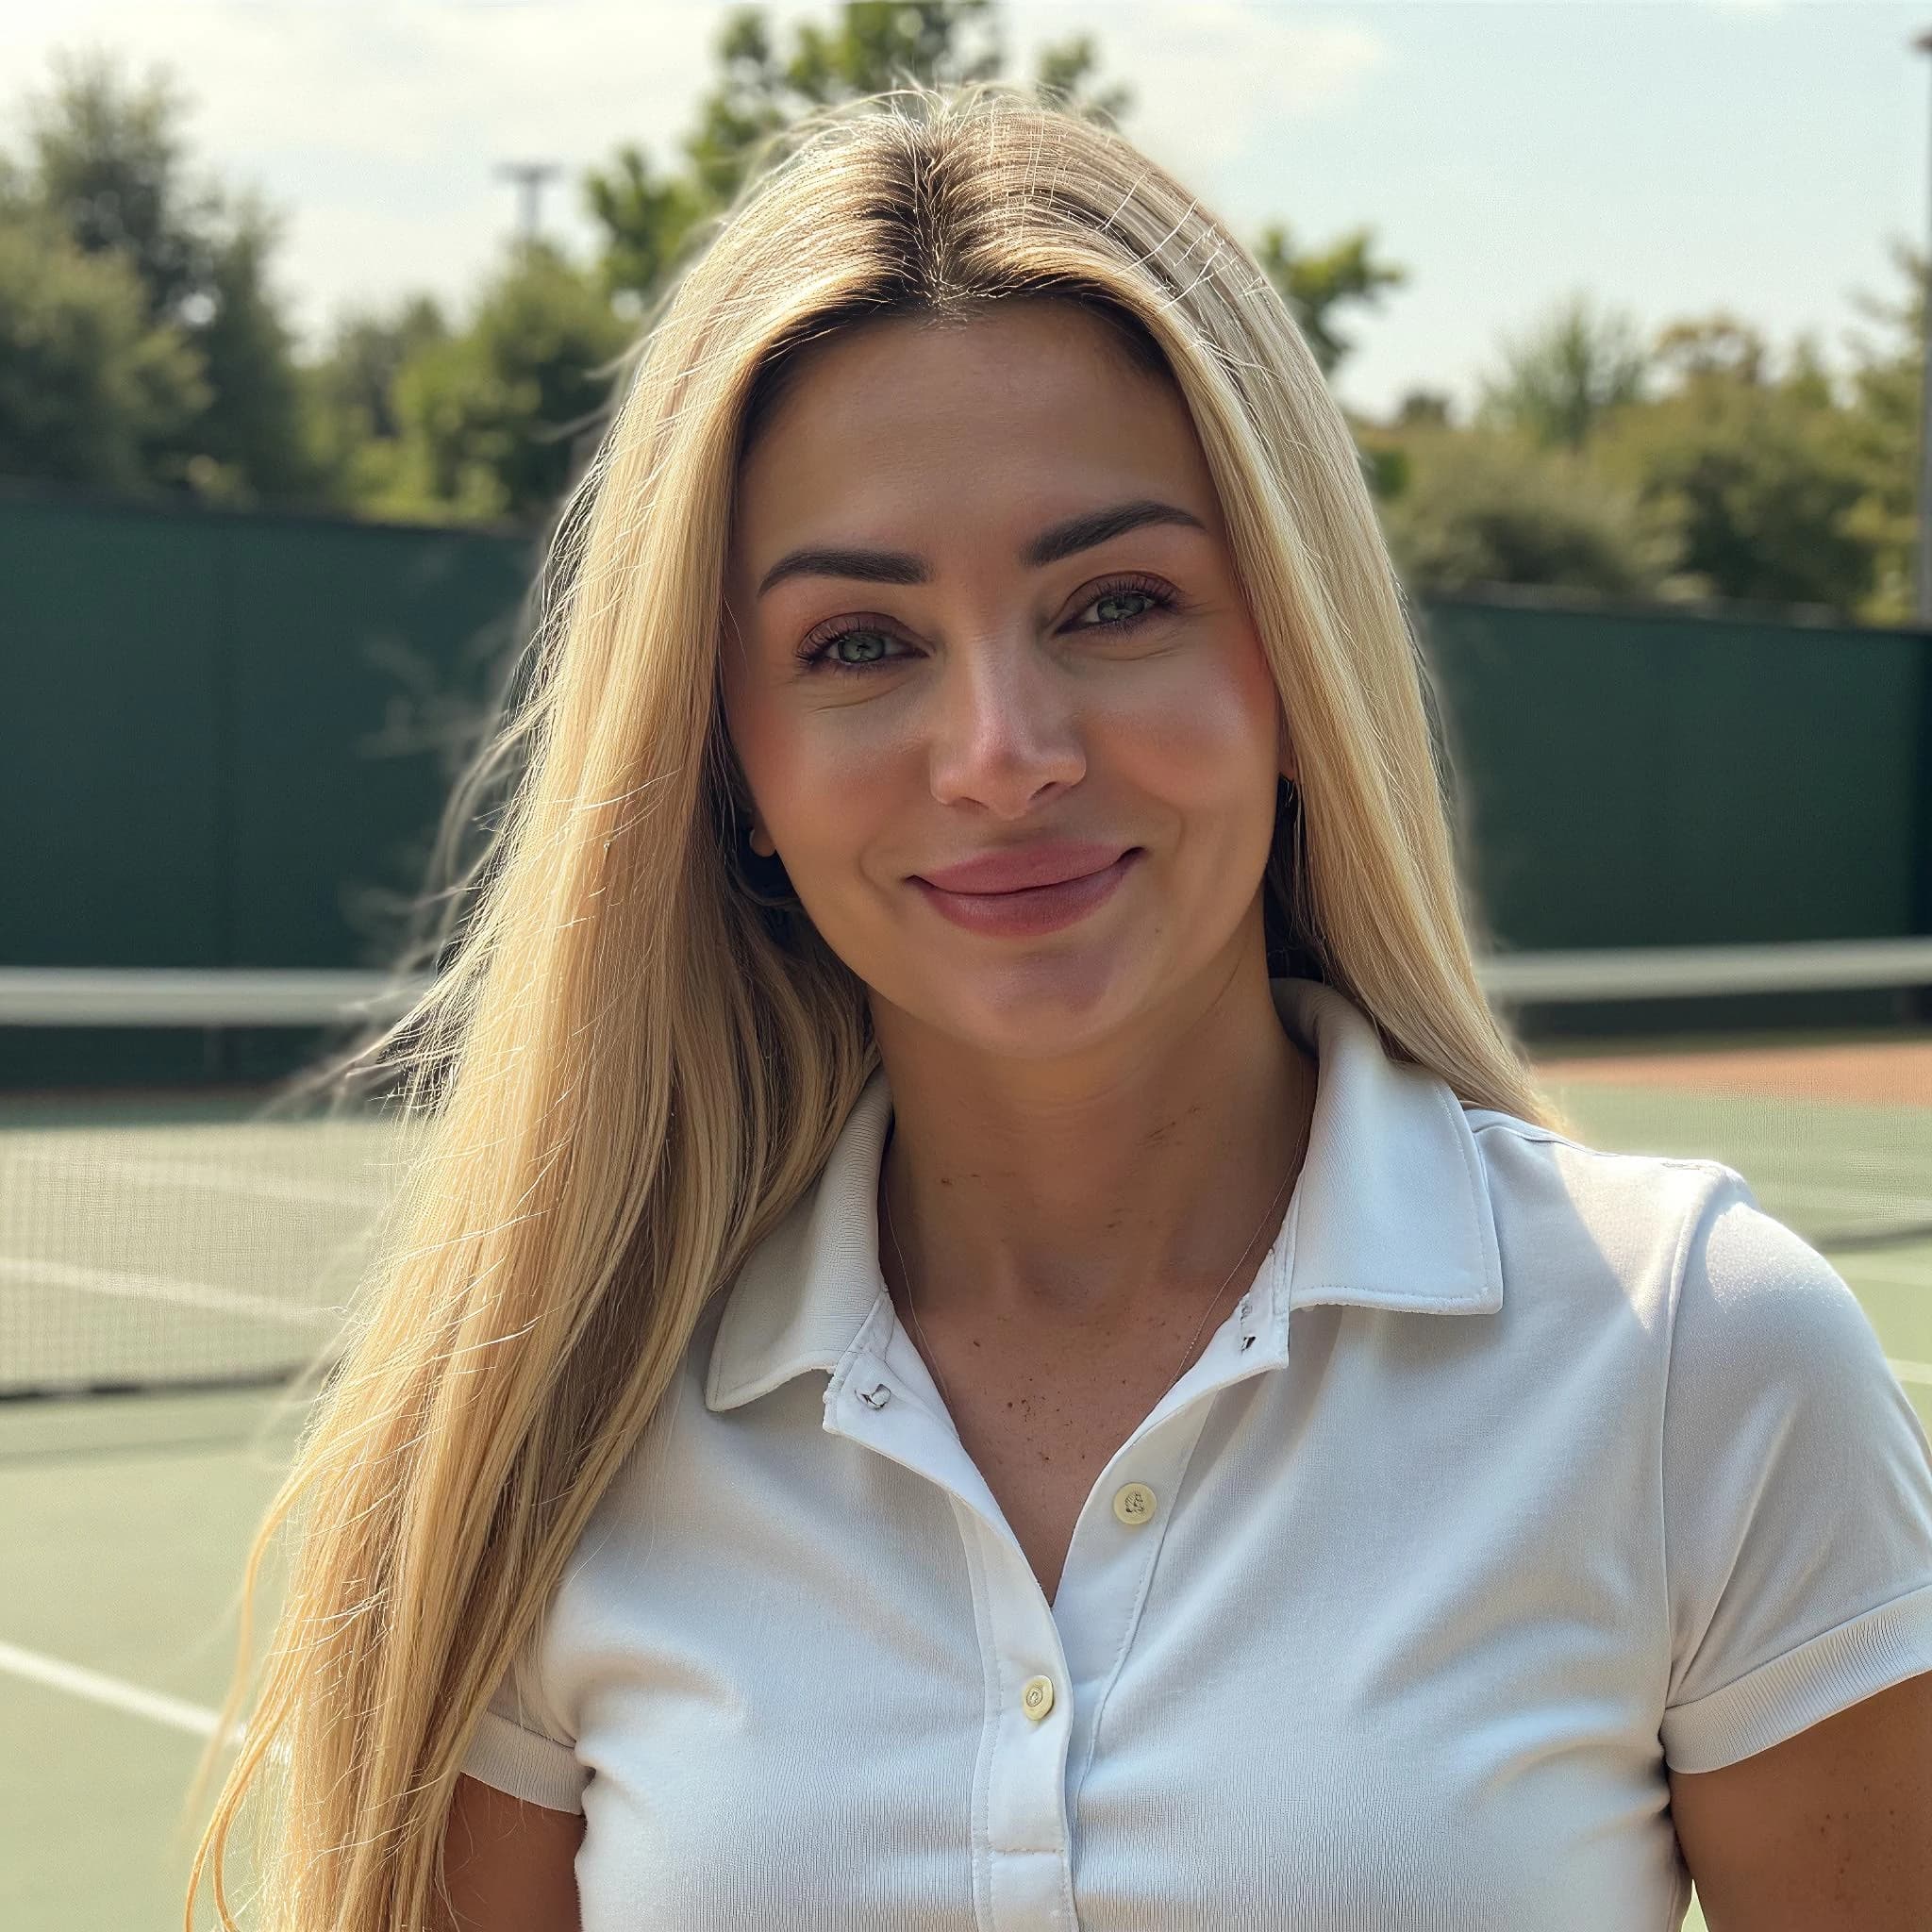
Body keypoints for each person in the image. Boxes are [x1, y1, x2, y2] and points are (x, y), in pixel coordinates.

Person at [191, 85, 1932, 1932]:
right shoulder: (551, 1418)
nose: (1001, 754)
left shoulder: (1692, 1363)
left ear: (1290, 654)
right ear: (728, 756)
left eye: (1114, 602)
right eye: (857, 643)